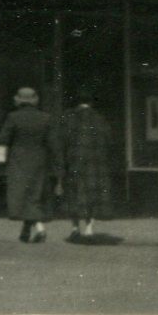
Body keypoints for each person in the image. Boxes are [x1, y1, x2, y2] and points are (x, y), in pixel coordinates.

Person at [0, 86, 59, 243]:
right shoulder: (46, 118)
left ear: (18, 100)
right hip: (39, 160)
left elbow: (4, 139)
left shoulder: (13, 117)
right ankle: (26, 229)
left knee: (22, 194)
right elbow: (52, 143)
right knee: (35, 194)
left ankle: (40, 228)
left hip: (19, 161)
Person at [57, 91, 114, 243]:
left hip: (74, 161)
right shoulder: (100, 118)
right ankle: (89, 228)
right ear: (91, 103)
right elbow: (109, 140)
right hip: (95, 163)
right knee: (92, 194)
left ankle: (75, 228)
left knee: (73, 194)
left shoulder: (68, 117)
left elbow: (61, 140)